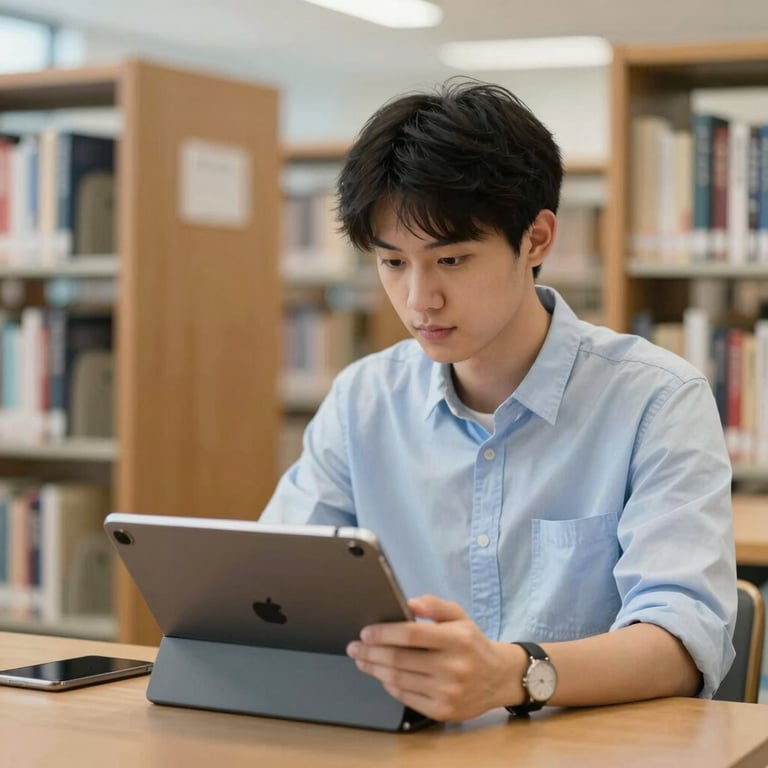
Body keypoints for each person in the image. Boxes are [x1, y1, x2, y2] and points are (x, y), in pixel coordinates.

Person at [260, 79, 736, 722]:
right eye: (393, 263)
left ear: (537, 240)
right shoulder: (362, 400)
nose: (418, 299)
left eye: (451, 260)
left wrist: (513, 674)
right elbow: (270, 585)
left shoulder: (657, 400)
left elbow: (682, 645)